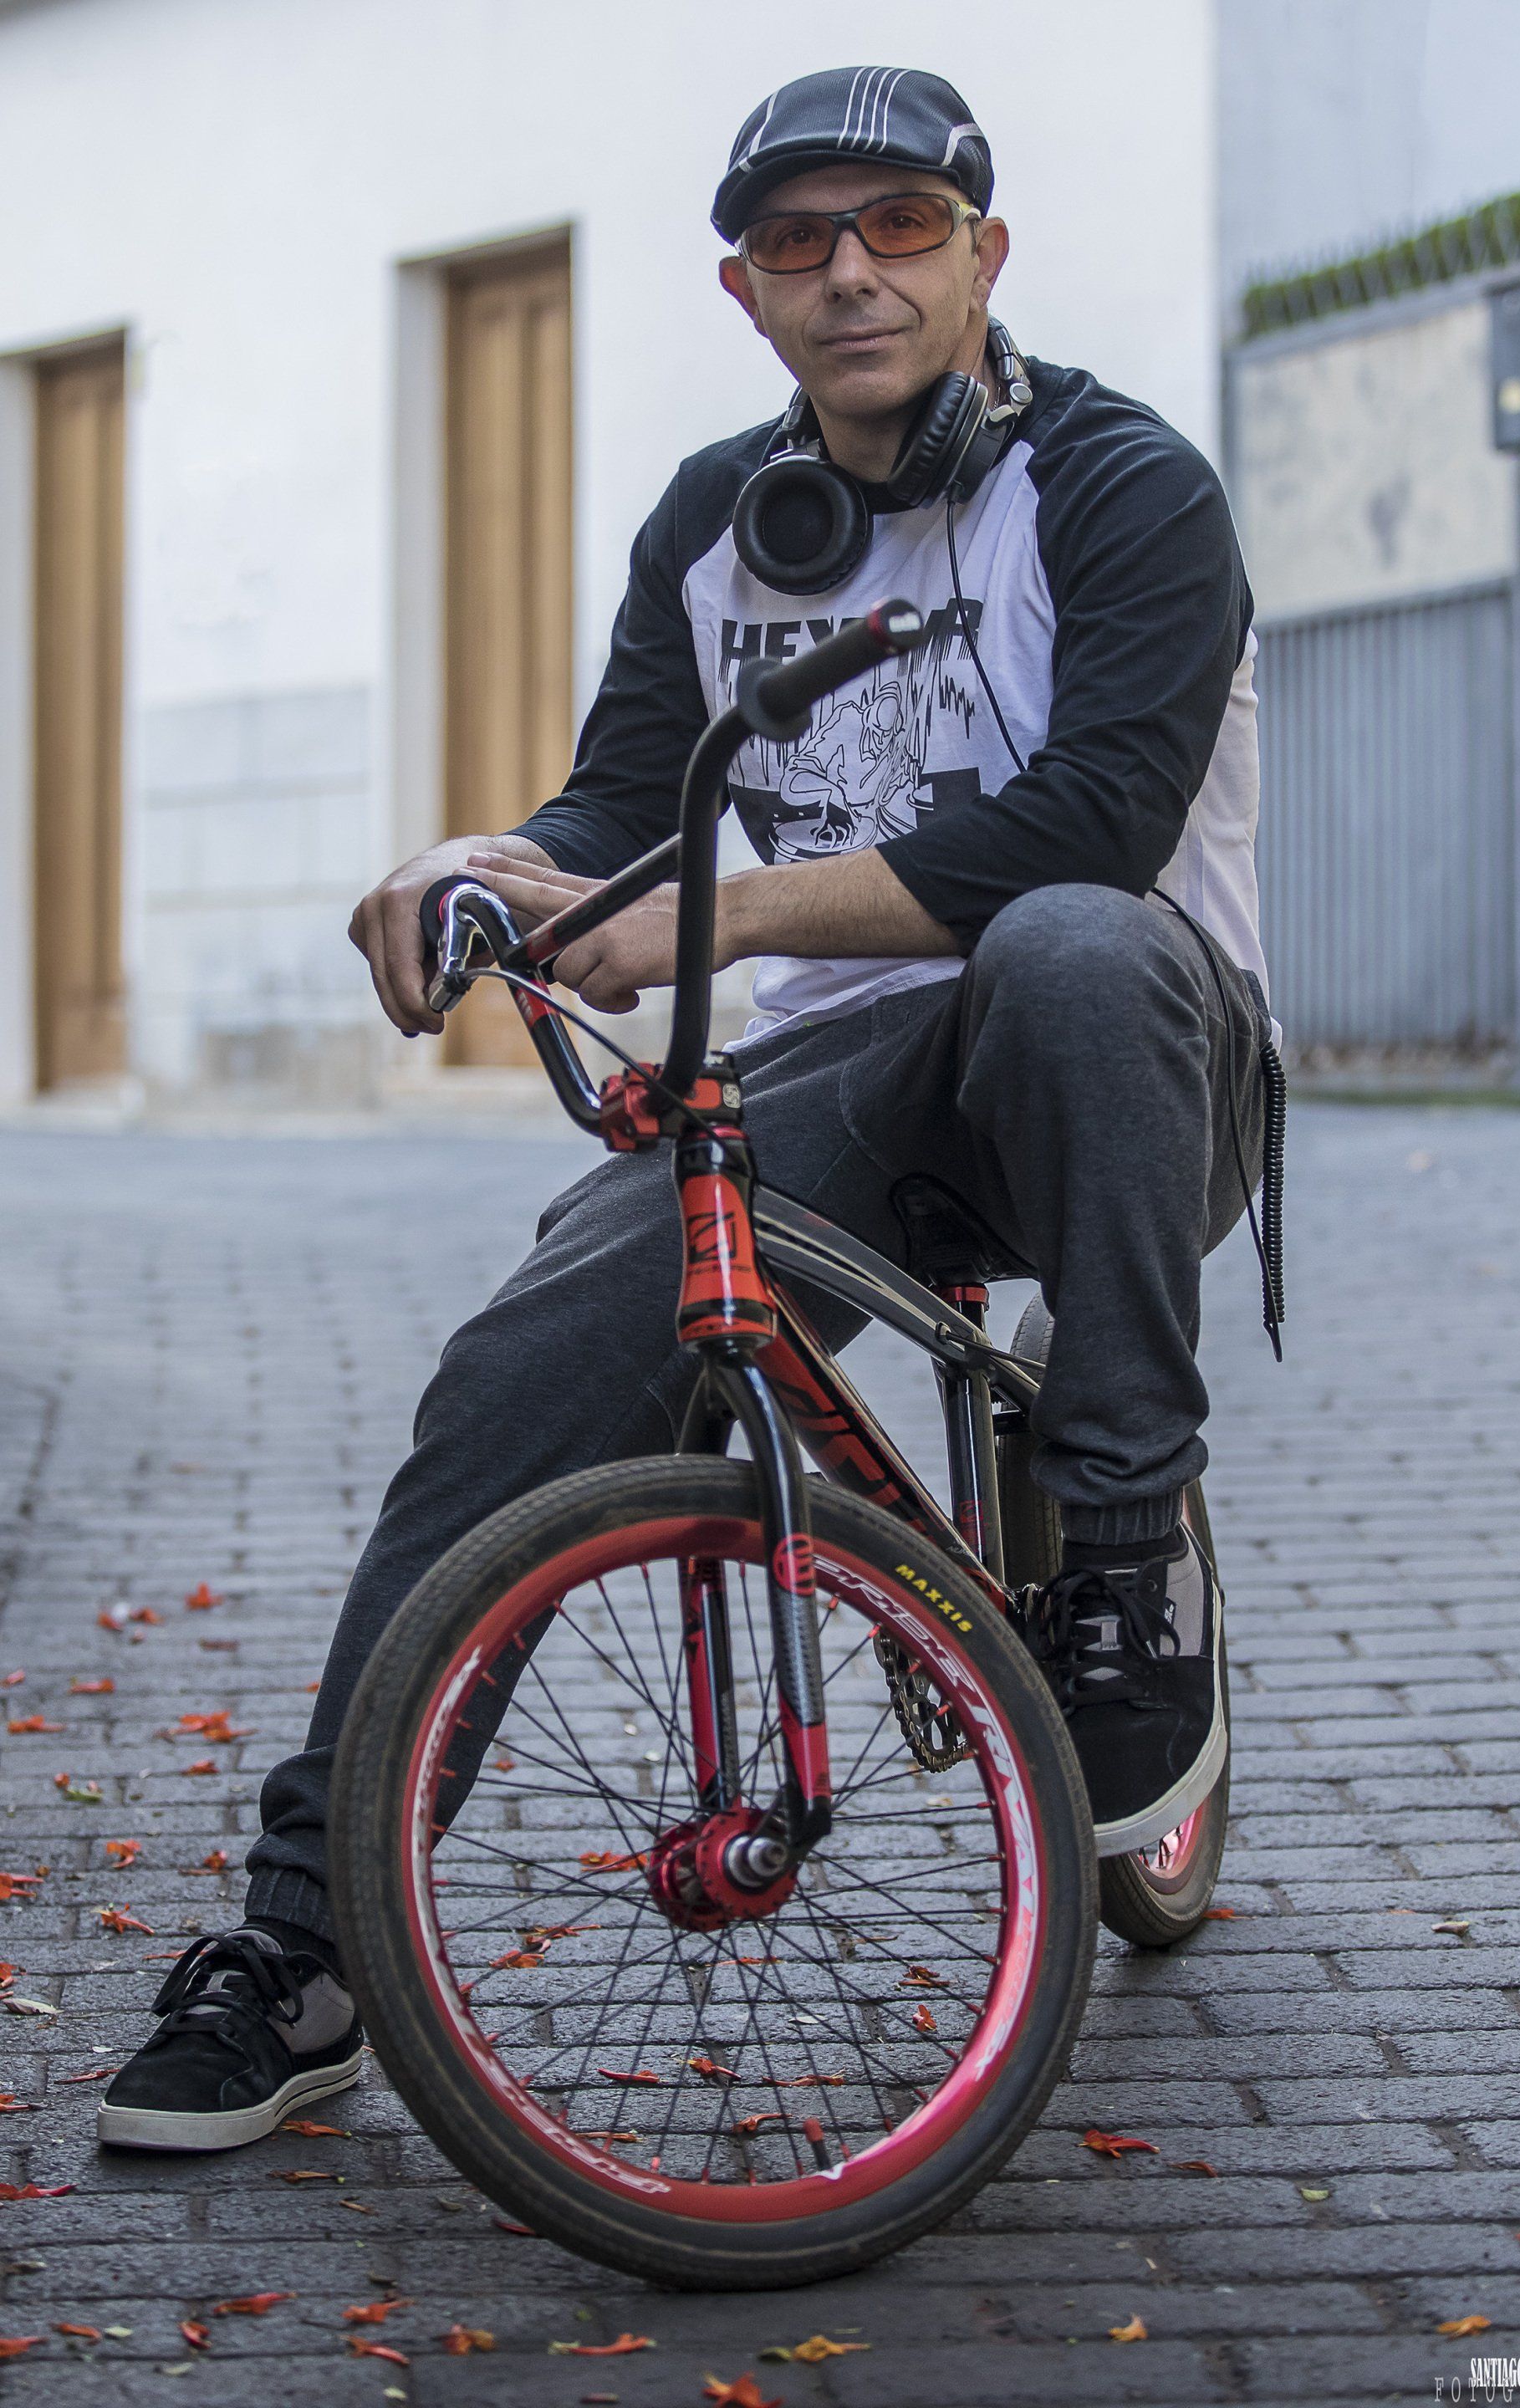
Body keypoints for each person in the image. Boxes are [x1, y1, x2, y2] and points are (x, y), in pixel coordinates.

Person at [99, 64, 1272, 2153]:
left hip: (1128, 1069)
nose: (852, 273)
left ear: (985, 255)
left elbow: (1094, 818)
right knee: (525, 1371)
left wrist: (702, 914)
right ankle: (306, 1939)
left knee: (1071, 945)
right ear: (746, 291)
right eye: (799, 240)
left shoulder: (1124, 487)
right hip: (840, 1087)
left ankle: (1121, 1539)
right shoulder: (718, 520)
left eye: (900, 225)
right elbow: (620, 811)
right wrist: (488, 864)